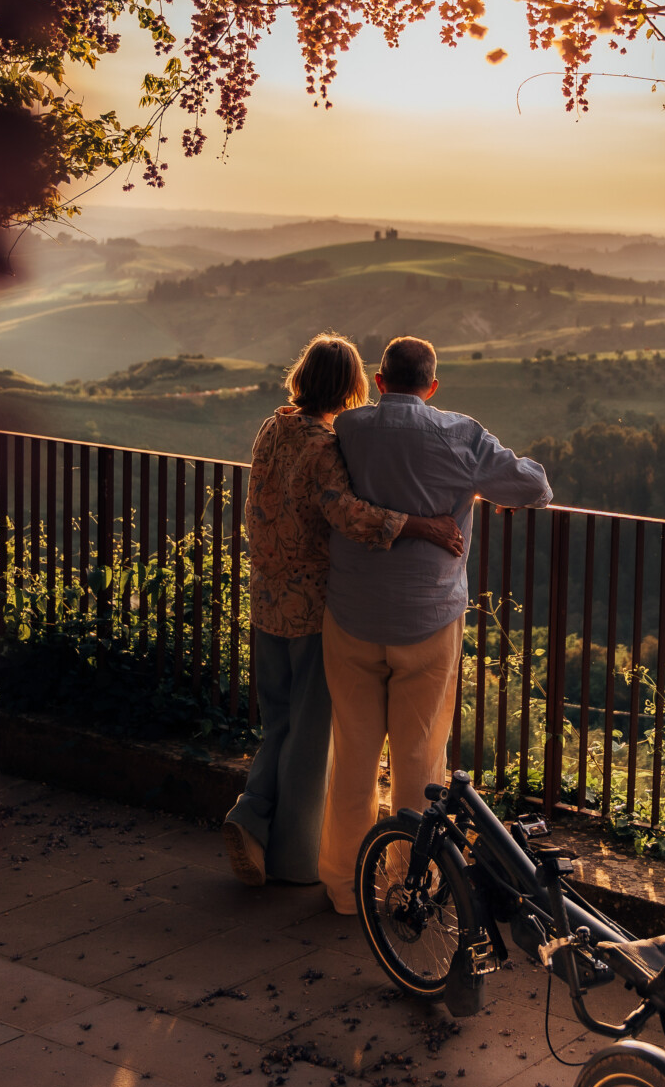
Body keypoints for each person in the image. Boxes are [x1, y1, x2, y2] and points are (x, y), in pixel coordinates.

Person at [320, 335, 551, 914]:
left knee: (352, 754)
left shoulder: (349, 430)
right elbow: (535, 486)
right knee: (420, 758)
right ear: (432, 386)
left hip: (351, 615)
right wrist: (476, 485)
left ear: (380, 380)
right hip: (427, 618)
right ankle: (407, 887)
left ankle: (345, 890)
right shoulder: (461, 435)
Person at [229, 334, 464, 889]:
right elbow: (347, 513)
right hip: (312, 606)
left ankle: (249, 819)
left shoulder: (274, 427)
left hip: (265, 599)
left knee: (279, 724)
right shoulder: (323, 444)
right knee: (312, 739)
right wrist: (420, 524)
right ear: (354, 385)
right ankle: (294, 863)